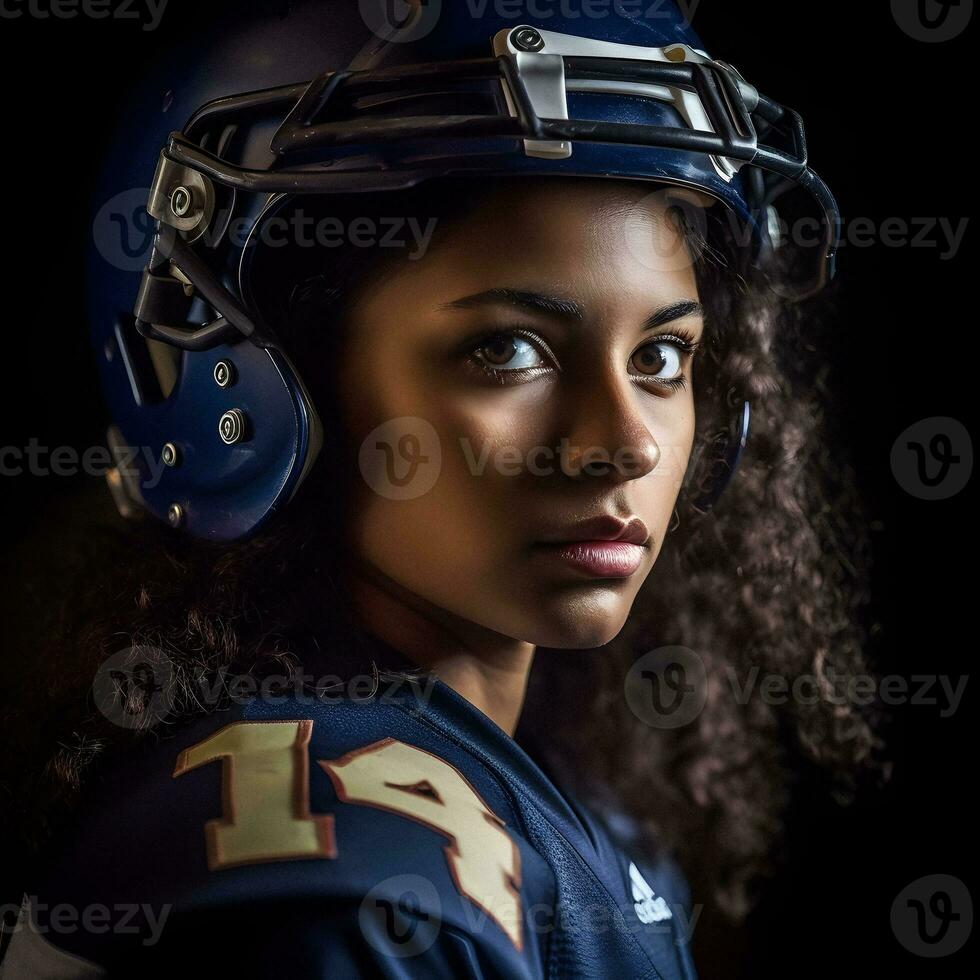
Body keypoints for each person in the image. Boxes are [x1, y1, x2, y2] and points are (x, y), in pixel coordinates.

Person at [0, 2, 883, 977]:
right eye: (506, 349)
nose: (624, 441)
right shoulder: (347, 902)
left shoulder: (532, 781)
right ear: (250, 375)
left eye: (662, 354)